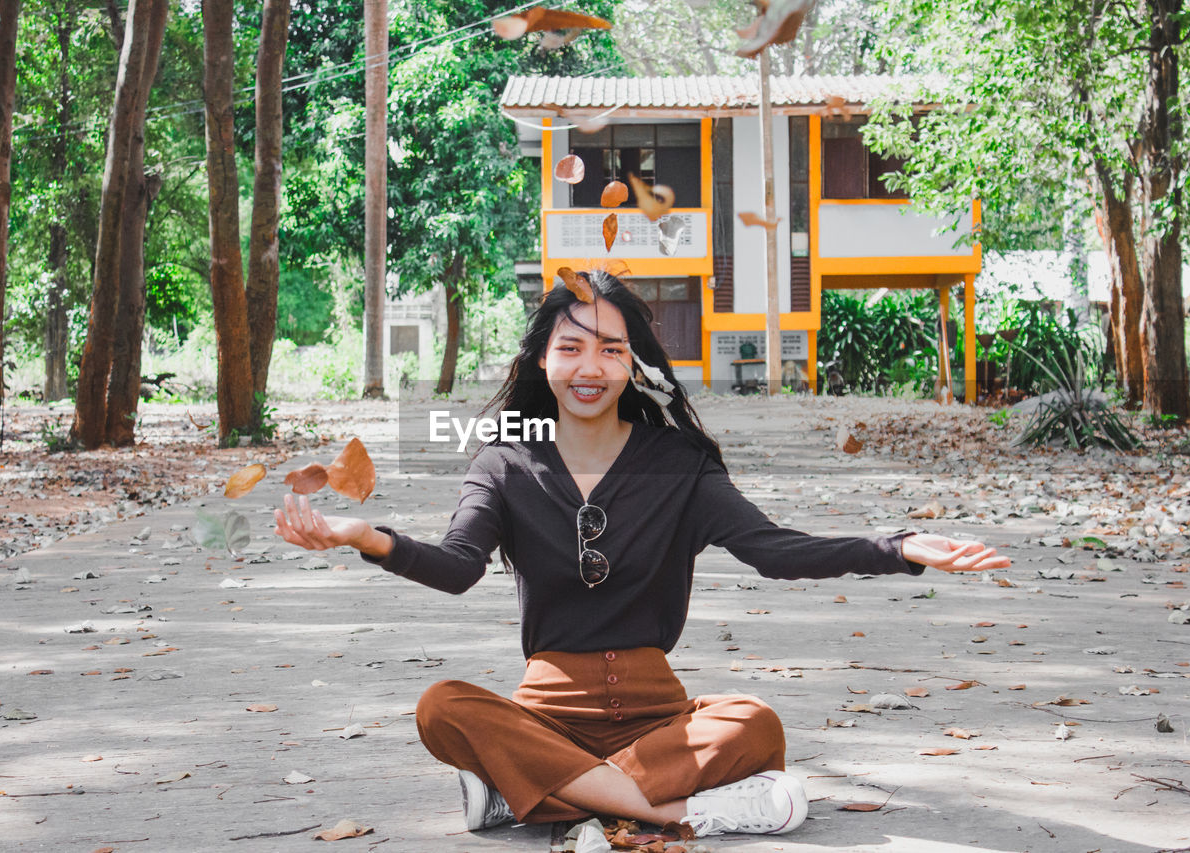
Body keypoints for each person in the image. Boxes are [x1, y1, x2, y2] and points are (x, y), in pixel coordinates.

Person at [273, 270, 1010, 839]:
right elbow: (459, 564)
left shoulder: (679, 462)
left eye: (611, 347)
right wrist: (363, 536)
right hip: (546, 717)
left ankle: (527, 795)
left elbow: (775, 550)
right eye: (571, 346)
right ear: (540, 358)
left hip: (659, 720)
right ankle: (686, 812)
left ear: (635, 364)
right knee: (441, 708)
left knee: (755, 723)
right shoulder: (505, 461)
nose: (589, 365)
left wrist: (900, 545)